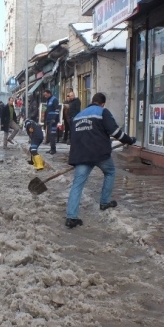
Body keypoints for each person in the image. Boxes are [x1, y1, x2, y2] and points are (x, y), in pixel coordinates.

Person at [65, 92, 136, 229]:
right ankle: (104, 202)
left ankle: (71, 217)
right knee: (110, 172)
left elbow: (73, 137)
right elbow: (115, 132)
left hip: (81, 155)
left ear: (92, 101)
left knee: (77, 185)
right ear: (102, 103)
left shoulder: (79, 116)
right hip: (99, 154)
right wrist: (129, 140)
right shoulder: (102, 112)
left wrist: (76, 157)